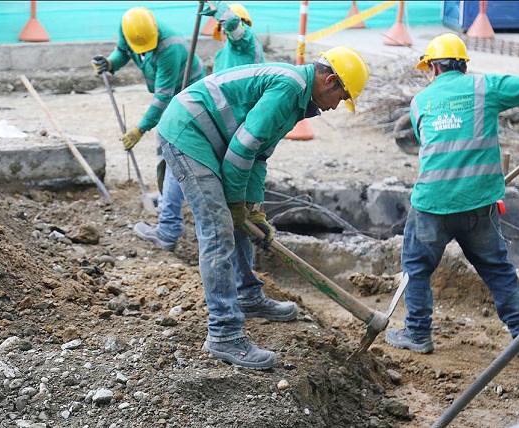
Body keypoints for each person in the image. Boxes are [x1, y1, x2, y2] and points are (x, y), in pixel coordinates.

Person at [156, 47, 370, 369]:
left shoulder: (298, 98)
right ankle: (223, 333)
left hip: (213, 138)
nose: (337, 105)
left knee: (239, 219)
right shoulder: (289, 88)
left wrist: (252, 209)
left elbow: (258, 155)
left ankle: (248, 296)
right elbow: (241, 148)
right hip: (189, 133)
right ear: (330, 81)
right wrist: (236, 205)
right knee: (218, 229)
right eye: (342, 97)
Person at [385, 33, 519, 360]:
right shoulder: (485, 87)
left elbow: (426, 143)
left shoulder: (419, 102)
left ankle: (417, 333)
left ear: (433, 67)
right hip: (479, 204)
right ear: (462, 65)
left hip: (431, 205)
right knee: (498, 269)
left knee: (417, 267)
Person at [133, 1, 265, 252]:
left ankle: (169, 227)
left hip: (233, 128)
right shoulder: (224, 54)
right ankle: (170, 225)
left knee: (180, 158)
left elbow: (236, 28)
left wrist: (220, 8)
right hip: (225, 125)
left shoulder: (247, 44)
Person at [91, 6, 205, 252]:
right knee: (164, 153)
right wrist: (111, 63)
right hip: (169, 98)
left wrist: (139, 128)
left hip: (188, 98)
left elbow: (163, 98)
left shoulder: (170, 47)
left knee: (174, 155)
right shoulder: (128, 29)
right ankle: (167, 203)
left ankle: (169, 225)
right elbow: (124, 50)